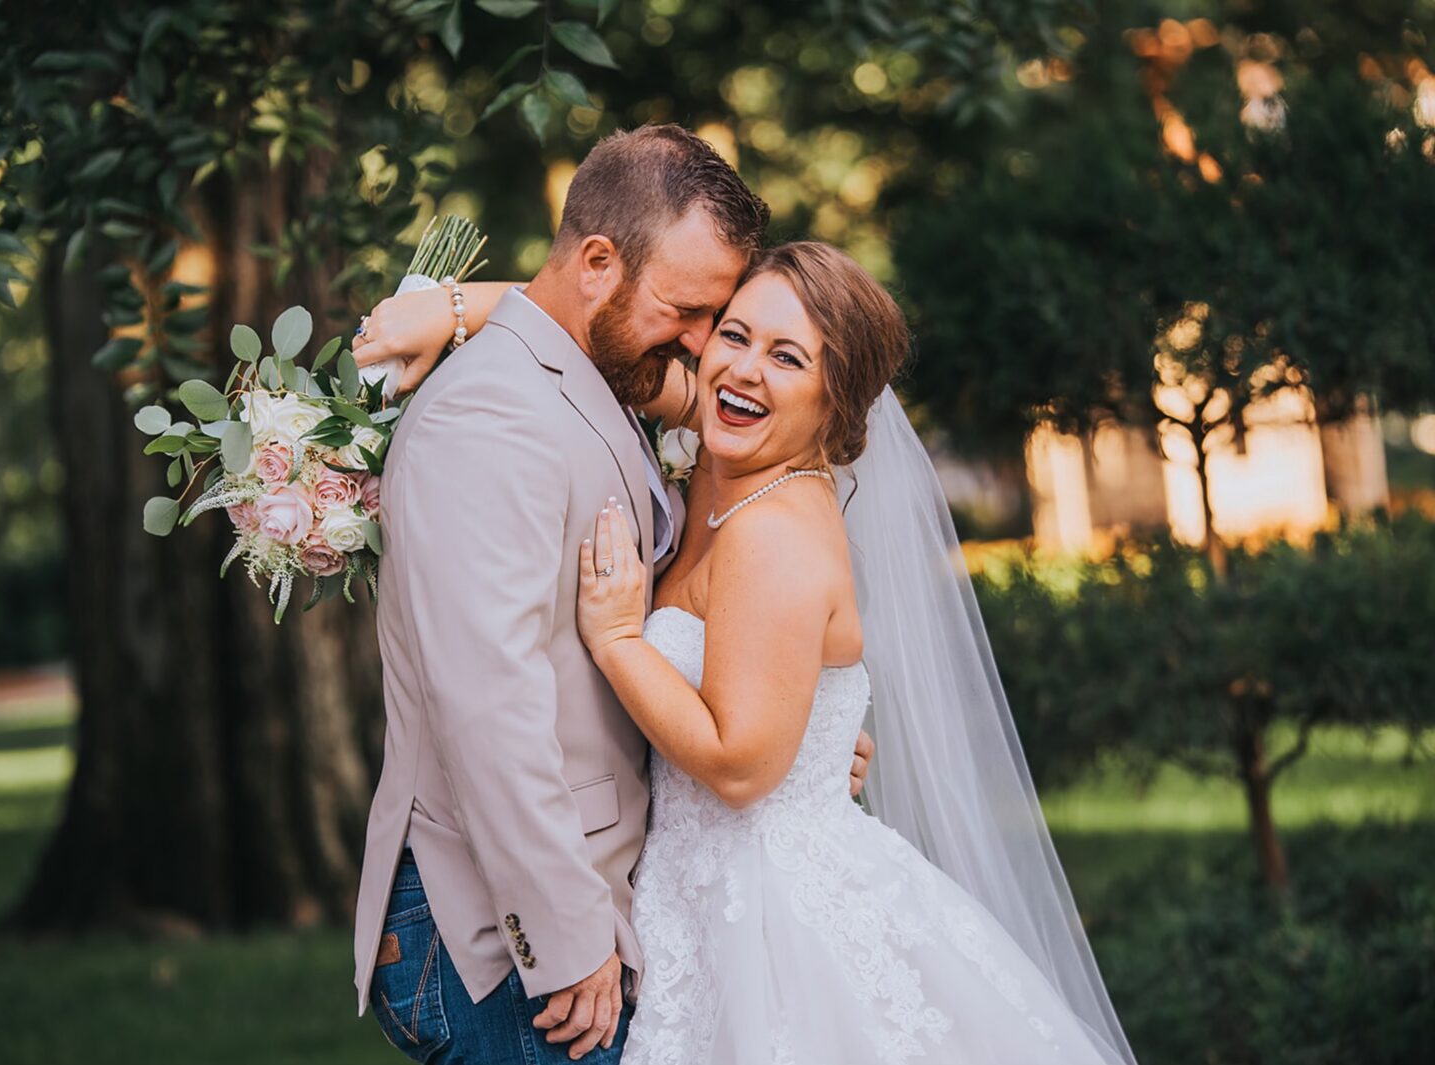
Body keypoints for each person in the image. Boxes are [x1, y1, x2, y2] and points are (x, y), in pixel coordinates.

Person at [360, 239, 1139, 1064]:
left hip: (771, 920)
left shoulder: (773, 530)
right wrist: (452, 309)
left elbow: (740, 766)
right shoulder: (723, 435)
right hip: (689, 893)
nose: (746, 370)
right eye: (733, 335)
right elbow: (596, 323)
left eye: (788, 357)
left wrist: (621, 640)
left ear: (835, 404)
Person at [350, 125, 876, 1065]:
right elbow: (488, 702)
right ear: (598, 263)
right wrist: (563, 933)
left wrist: (806, 728)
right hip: (506, 928)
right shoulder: (488, 415)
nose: (706, 346)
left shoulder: (601, 367)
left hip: (616, 886)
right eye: (692, 311)